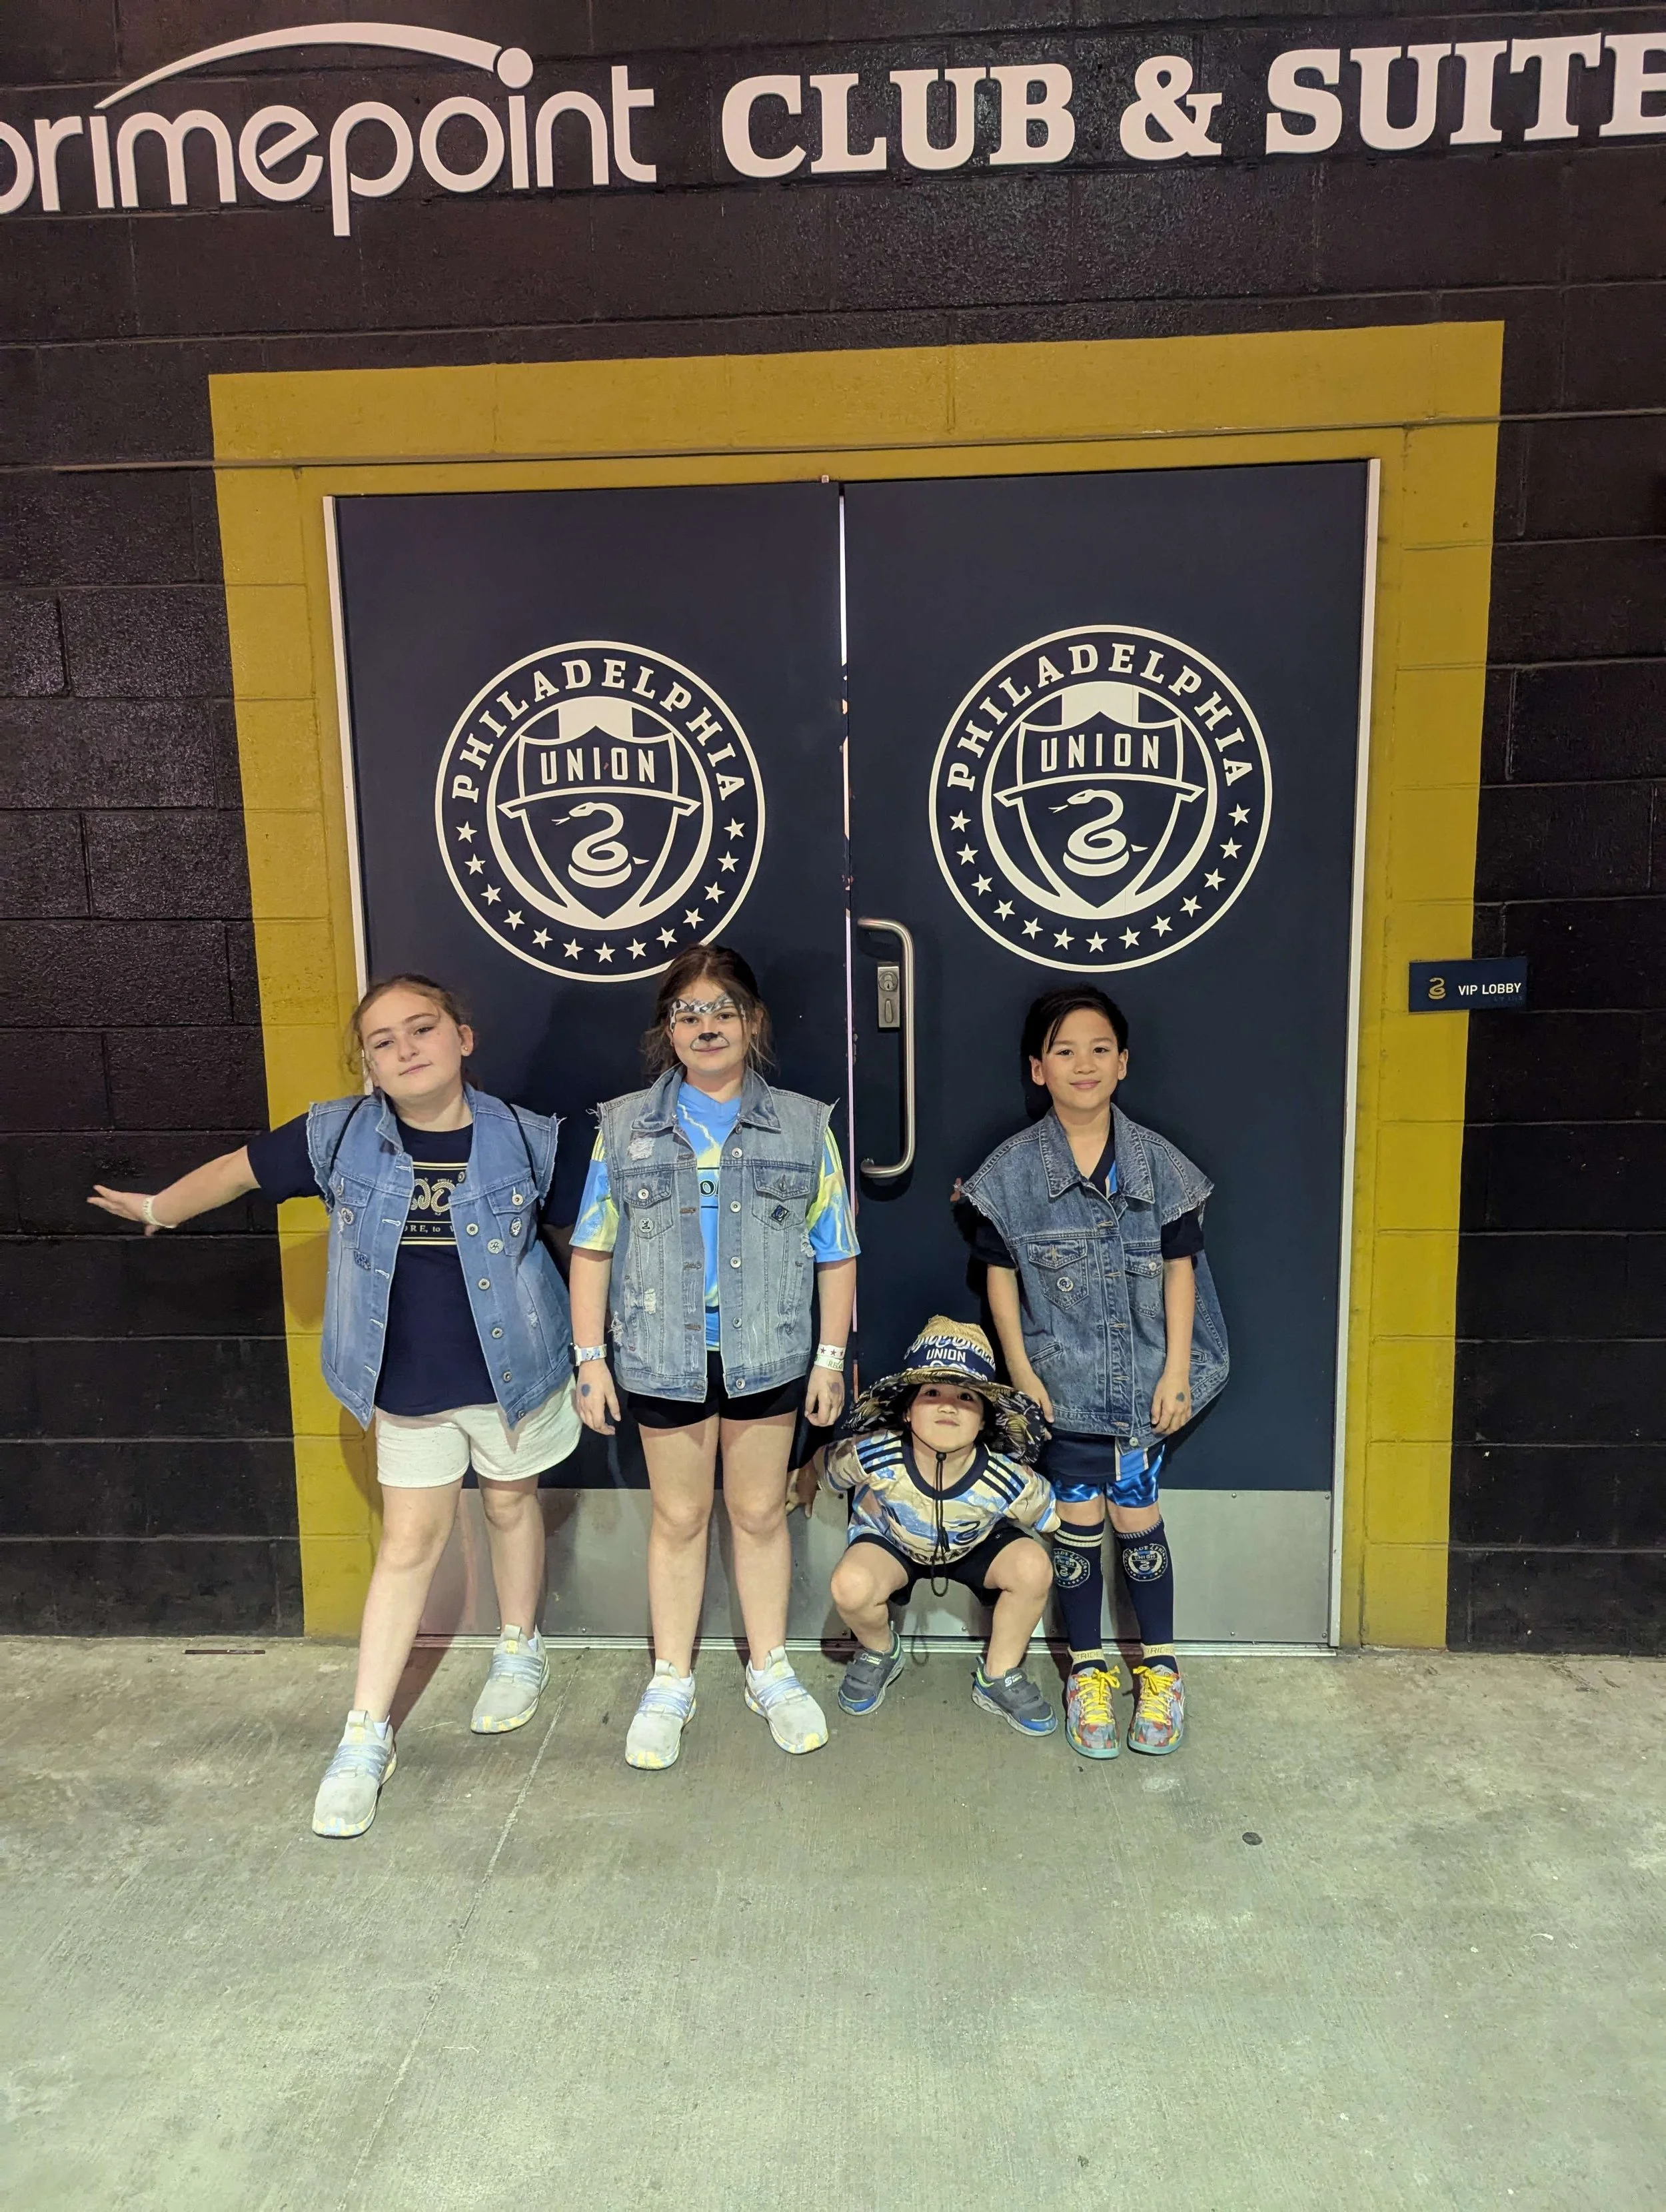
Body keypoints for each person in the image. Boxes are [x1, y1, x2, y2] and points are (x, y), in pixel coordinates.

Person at [89, 975, 579, 1838]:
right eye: (382, 1042)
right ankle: (365, 1733)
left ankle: (518, 1646)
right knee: (409, 1543)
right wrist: (163, 1207)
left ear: (463, 1037)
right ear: (368, 1068)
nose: (404, 1049)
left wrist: (597, 1353)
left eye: (422, 1028)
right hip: (405, 1391)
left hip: (519, 1377)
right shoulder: (338, 1136)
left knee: (511, 1505)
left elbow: (586, 1245)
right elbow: (242, 1172)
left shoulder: (530, 1141)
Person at [568, 946, 857, 1769]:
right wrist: (589, 1357)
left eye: (723, 1009)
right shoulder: (624, 1125)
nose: (706, 1025)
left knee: (762, 1513)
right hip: (663, 1356)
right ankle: (671, 1676)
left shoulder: (804, 1126)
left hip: (767, 1354)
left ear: (753, 1023)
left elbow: (836, 1250)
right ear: (667, 1029)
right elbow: (592, 1245)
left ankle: (769, 1666)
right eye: (687, 1012)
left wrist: (830, 1357)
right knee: (680, 1516)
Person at [961, 987, 1228, 1761]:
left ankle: (1162, 1664)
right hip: (1064, 1384)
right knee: (1076, 1526)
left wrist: (1176, 1369)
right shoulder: (1009, 1172)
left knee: (1137, 1518)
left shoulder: (1159, 1164)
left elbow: (1181, 1270)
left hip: (1146, 1379)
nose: (1085, 1063)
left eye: (1100, 1047)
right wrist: (1019, 1370)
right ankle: (1086, 1666)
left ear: (1124, 1062)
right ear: (1038, 1068)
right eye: (1066, 1050)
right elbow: (999, 1278)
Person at [824, 1317, 1059, 1736]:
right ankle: (879, 1651)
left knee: (1034, 1566)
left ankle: (999, 1674)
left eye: (966, 1396)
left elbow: (1048, 1513)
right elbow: (828, 1470)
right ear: (908, 1411)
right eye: (932, 1393)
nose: (948, 1406)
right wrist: (803, 1481)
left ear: (985, 1419)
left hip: (976, 1547)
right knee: (851, 1585)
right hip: (893, 1543)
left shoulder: (1005, 1478)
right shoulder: (875, 1455)